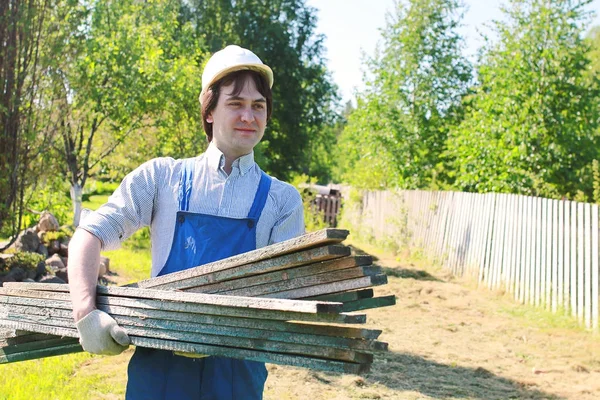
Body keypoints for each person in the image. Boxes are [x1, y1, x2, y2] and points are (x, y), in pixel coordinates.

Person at [67, 45, 305, 400]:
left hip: (235, 376)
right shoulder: (163, 179)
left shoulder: (282, 201)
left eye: (259, 106)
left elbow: (287, 299)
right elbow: (88, 234)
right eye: (236, 103)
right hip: (160, 373)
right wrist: (86, 314)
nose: (249, 116)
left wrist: (218, 329)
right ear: (209, 111)